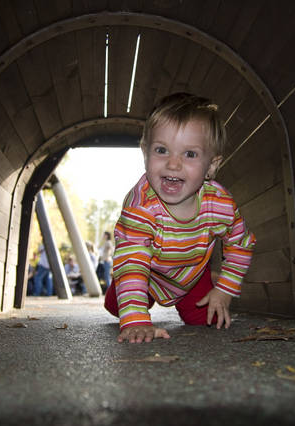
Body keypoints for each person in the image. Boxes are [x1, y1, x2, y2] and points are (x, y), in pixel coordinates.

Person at [104, 93, 256, 343]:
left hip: (192, 273)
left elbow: (241, 243)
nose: (173, 164)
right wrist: (136, 321)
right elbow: (134, 262)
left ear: (211, 166)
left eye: (190, 154)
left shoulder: (220, 204)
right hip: (148, 270)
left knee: (208, 321)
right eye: (162, 150)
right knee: (121, 308)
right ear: (145, 153)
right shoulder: (140, 207)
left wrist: (224, 291)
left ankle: (210, 280)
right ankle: (121, 282)